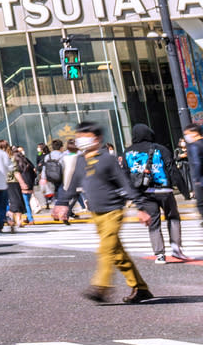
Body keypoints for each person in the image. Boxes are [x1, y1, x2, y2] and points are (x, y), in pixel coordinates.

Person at [61, 123, 152, 303]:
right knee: (117, 253)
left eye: (85, 135)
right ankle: (140, 287)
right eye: (79, 136)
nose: (81, 139)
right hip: (96, 213)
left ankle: (101, 287)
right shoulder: (80, 160)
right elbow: (72, 185)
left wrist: (140, 207)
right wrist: (62, 203)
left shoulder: (107, 159)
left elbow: (125, 183)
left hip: (113, 211)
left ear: (97, 139)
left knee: (105, 250)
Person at [123, 123, 190, 263]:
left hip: (145, 193)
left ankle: (159, 254)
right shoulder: (161, 149)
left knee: (154, 222)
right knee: (173, 217)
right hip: (164, 190)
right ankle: (176, 248)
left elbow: (125, 176)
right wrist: (185, 191)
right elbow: (173, 170)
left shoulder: (128, 153)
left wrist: (133, 197)